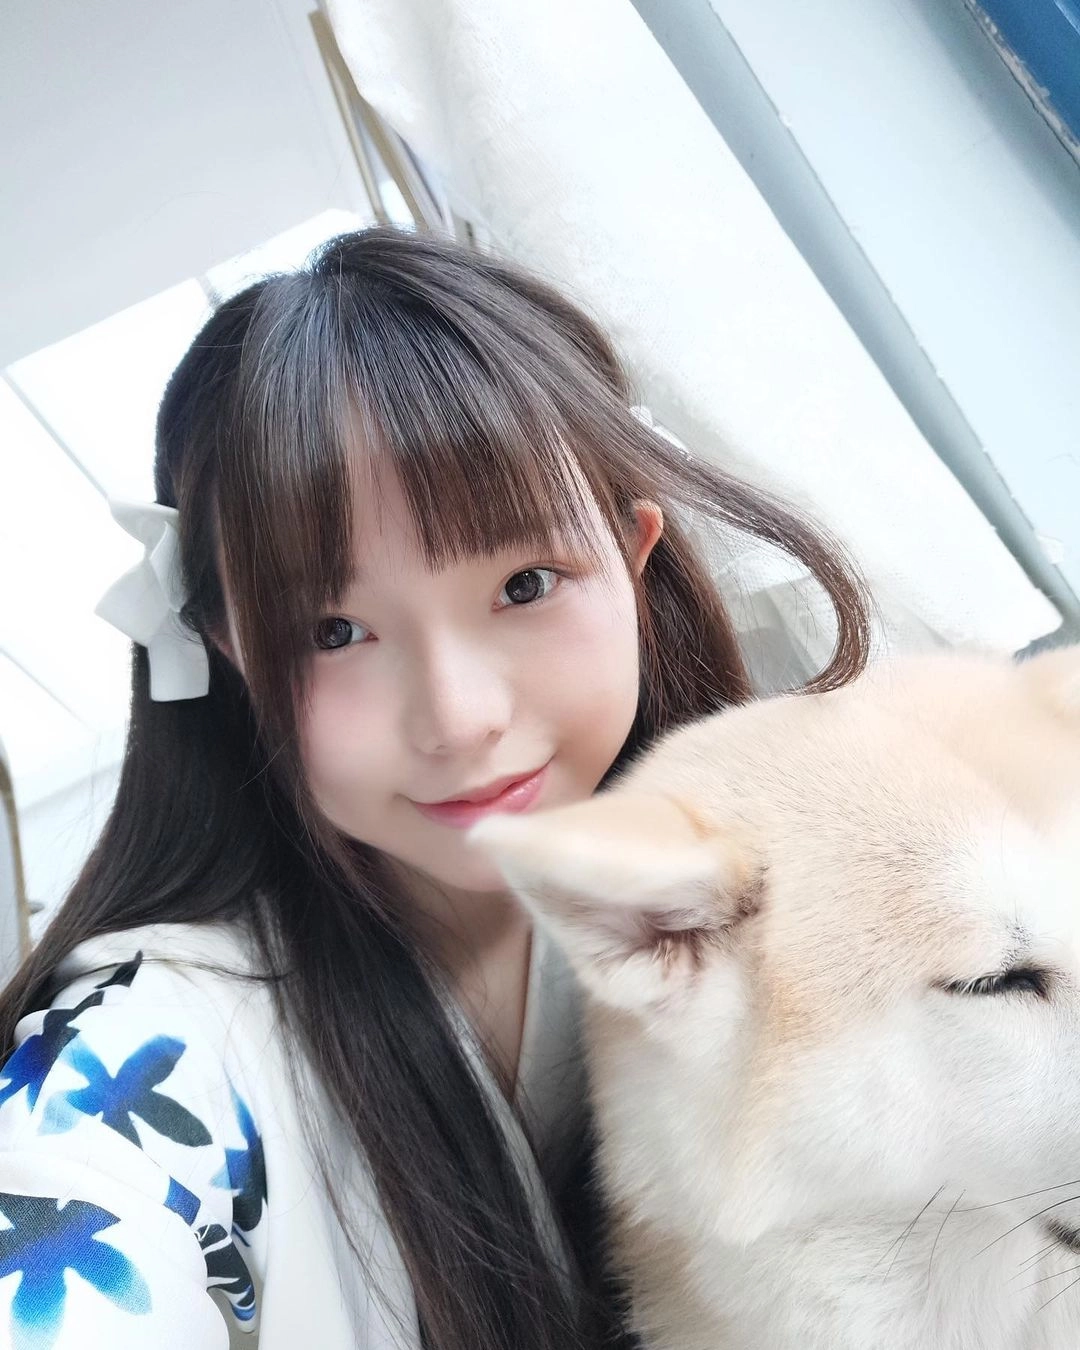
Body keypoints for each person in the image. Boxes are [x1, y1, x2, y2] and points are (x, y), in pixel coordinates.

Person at [0, 228, 870, 1350]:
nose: (457, 717)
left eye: (526, 583)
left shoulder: (807, 878)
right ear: (230, 652)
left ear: (634, 550)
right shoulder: (157, 1042)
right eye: (335, 631)